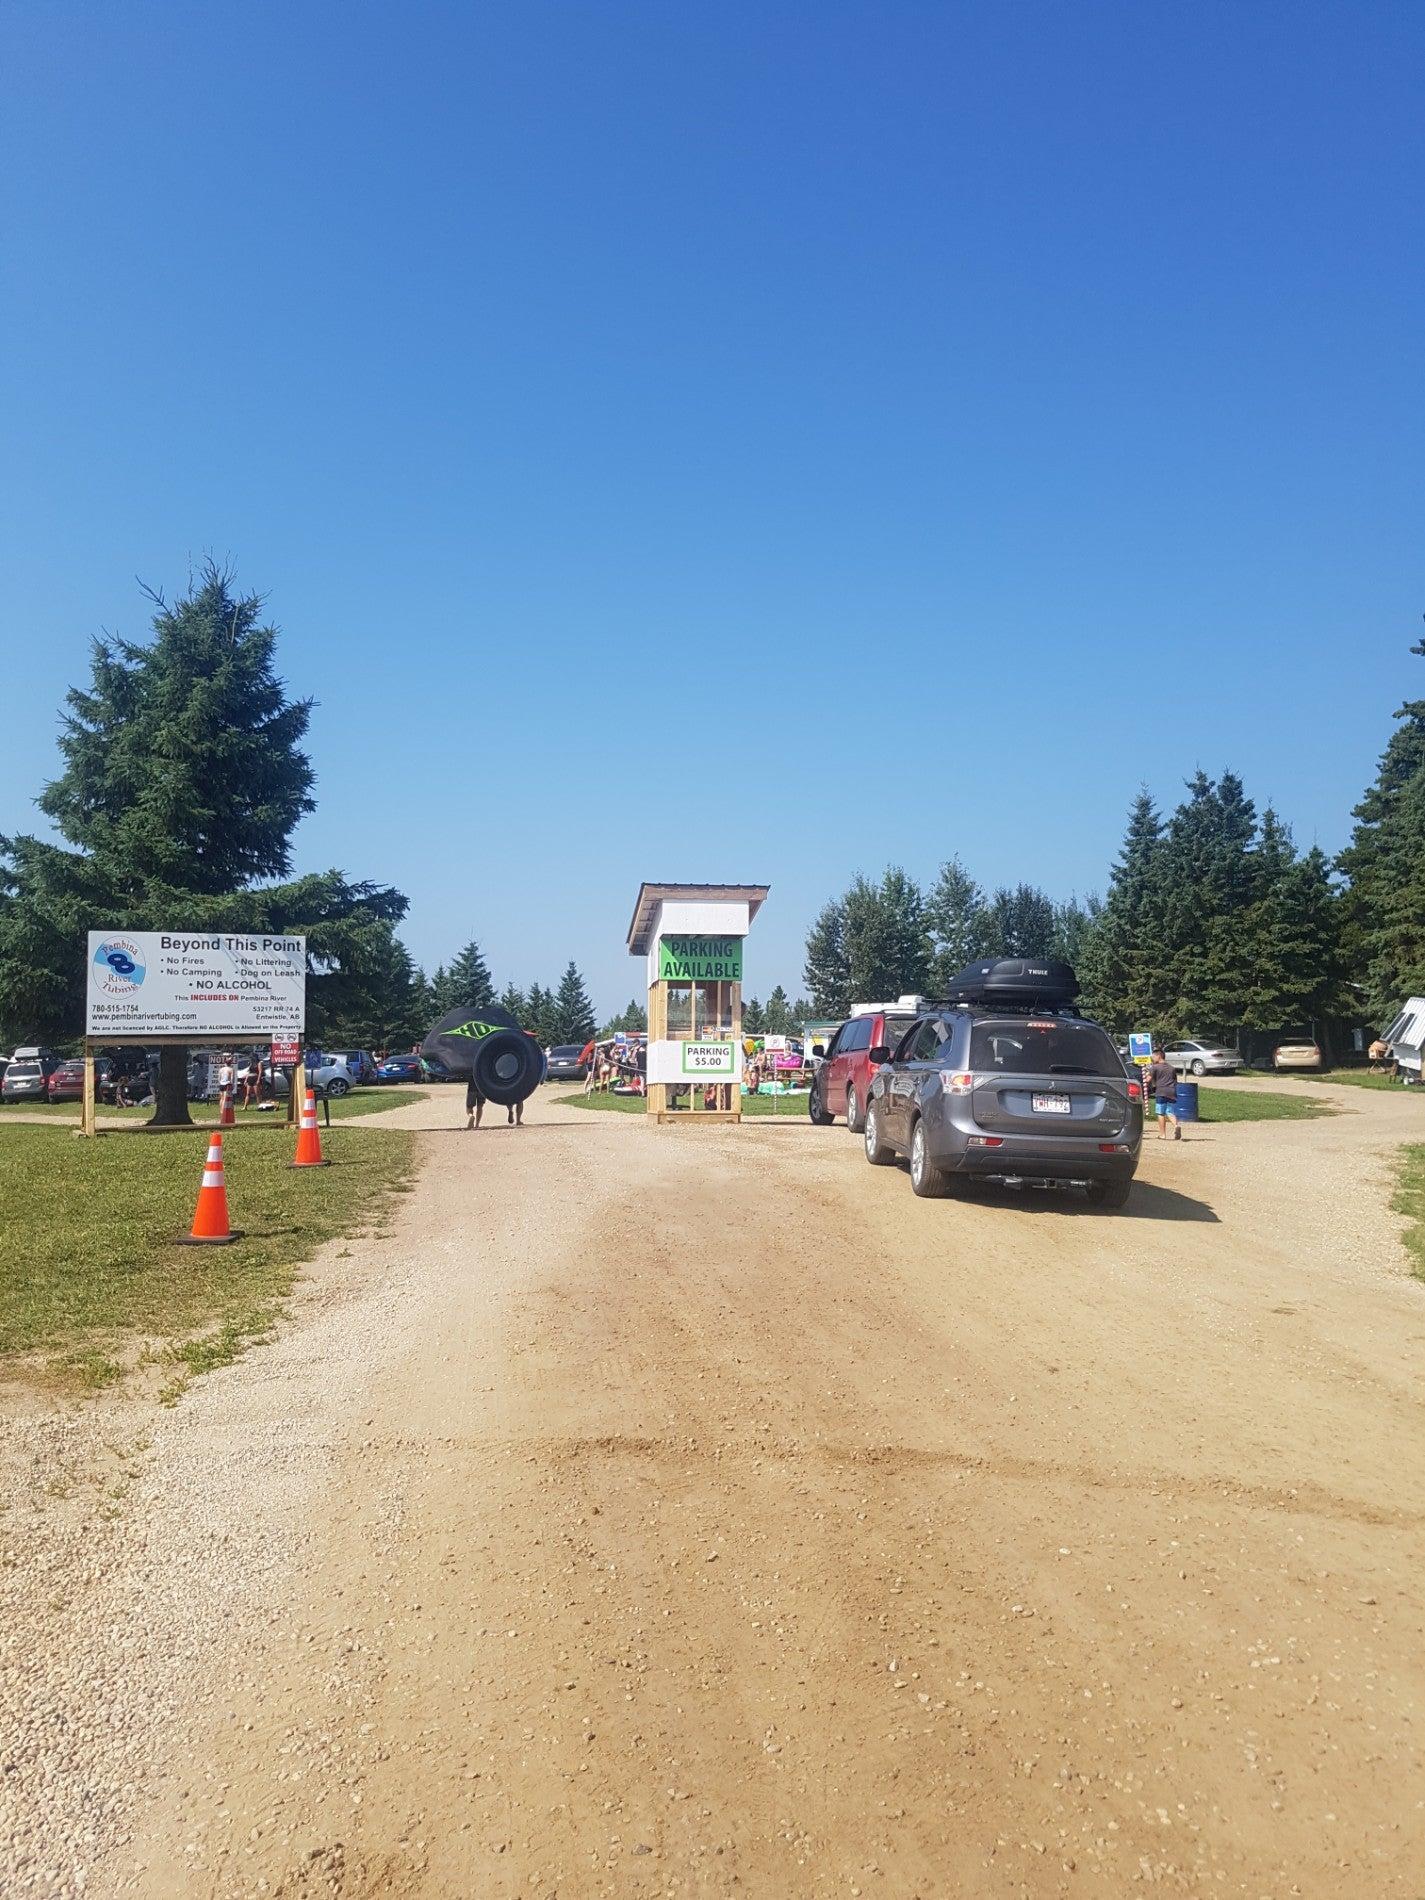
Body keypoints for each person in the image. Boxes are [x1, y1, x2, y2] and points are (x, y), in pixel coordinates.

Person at [1146, 1046, 1180, 1140]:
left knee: (1161, 1113)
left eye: (1153, 1056)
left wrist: (1144, 1079)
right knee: (1169, 1111)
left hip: (1161, 1092)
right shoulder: (1171, 1068)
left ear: (1159, 1056)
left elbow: (1147, 1080)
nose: (1152, 1058)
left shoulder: (1155, 1067)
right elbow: (1175, 1081)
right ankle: (1176, 1125)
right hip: (1171, 1091)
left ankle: (1162, 1134)